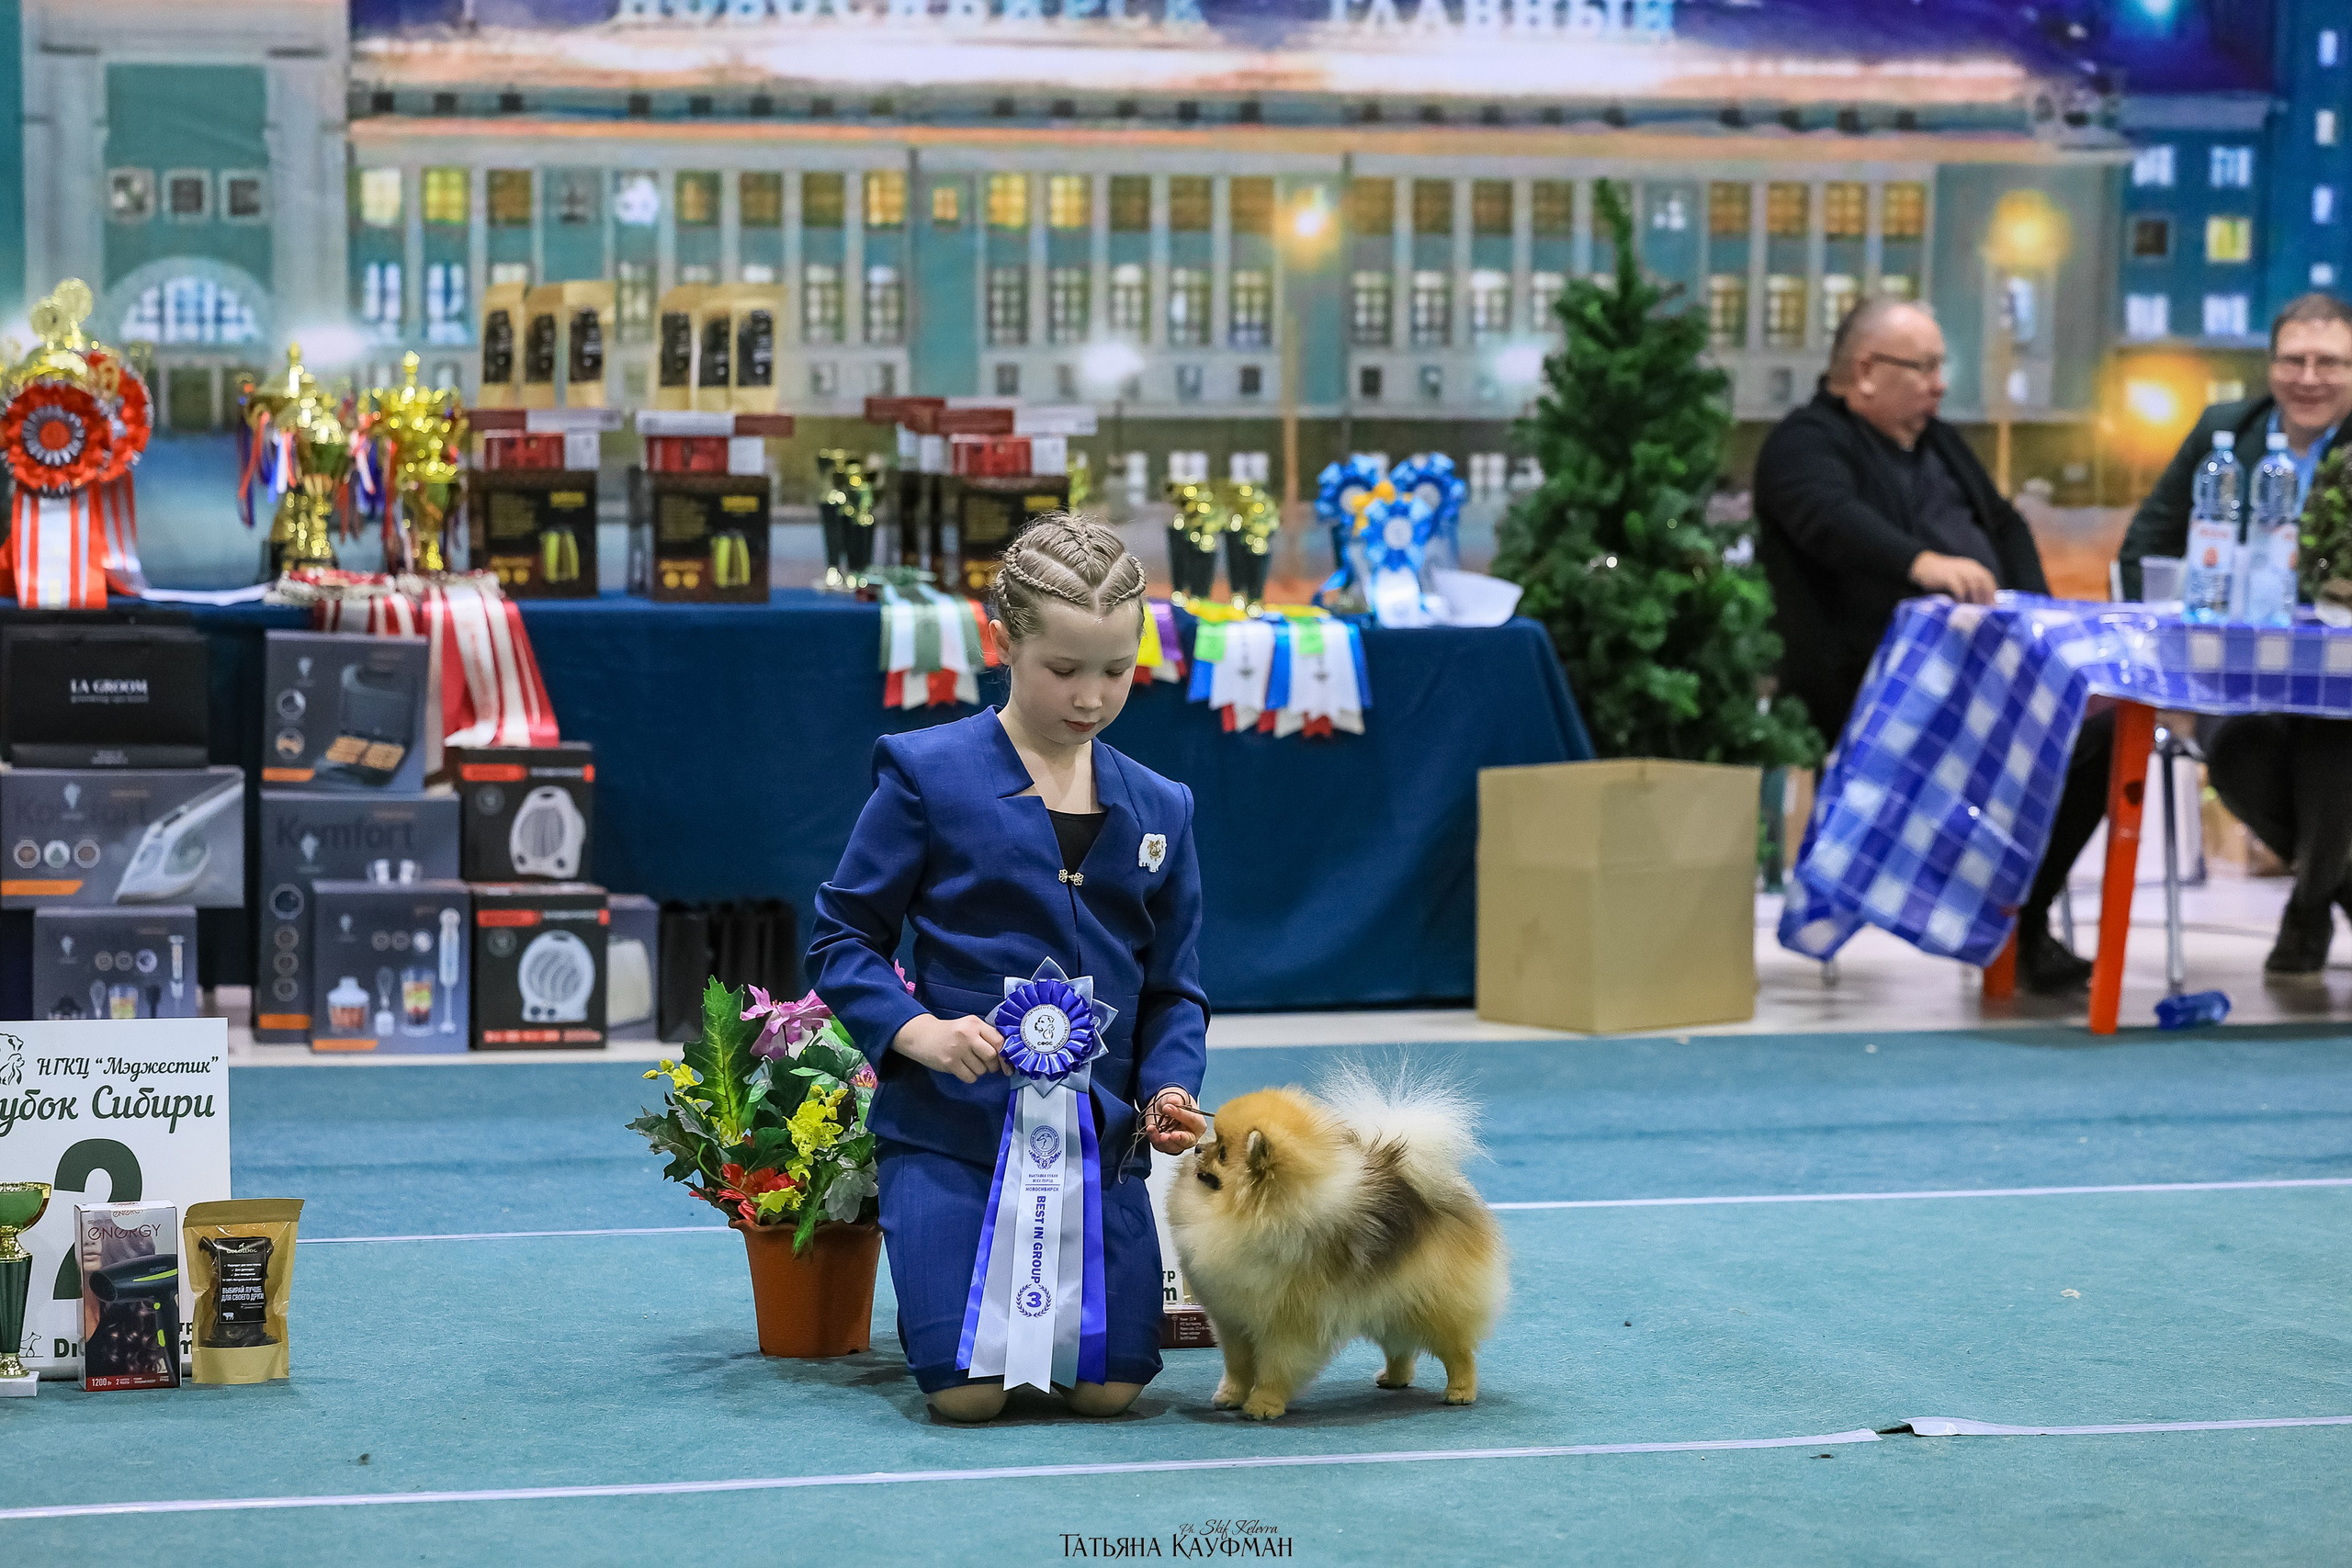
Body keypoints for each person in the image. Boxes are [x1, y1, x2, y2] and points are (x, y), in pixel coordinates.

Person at [808, 515, 1210, 1422]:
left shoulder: (1164, 807)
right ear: (1002, 643)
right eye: (1063, 669)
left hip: (1100, 1146)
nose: (1091, 696)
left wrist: (1169, 1087)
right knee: (966, 1398)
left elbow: (1174, 988)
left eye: (1116, 670)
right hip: (949, 1135)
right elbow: (841, 938)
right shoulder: (923, 773)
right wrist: (918, 1032)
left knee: (1111, 1390)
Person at [1756, 296, 2112, 994]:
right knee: (2060, 735)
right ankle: (2000, 922)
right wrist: (1921, 563)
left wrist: (2037, 611)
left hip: (1986, 669)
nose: (1939, 385)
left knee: (2100, 730)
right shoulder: (1802, 444)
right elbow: (1830, 518)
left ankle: (2019, 921)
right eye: (1921, 368)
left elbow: (2004, 523)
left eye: (1939, 367)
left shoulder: (1939, 442)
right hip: (1874, 683)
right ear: (1865, 371)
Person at [2120, 292, 2352, 975]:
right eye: (2293, 361)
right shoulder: (2226, 432)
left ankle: (2307, 909)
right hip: (2230, 676)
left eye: (2330, 363)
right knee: (2241, 753)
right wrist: (2165, 668)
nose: (2309, 378)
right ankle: (2328, 892)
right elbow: (2145, 548)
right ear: (2270, 365)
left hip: (2341, 679)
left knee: (2335, 740)